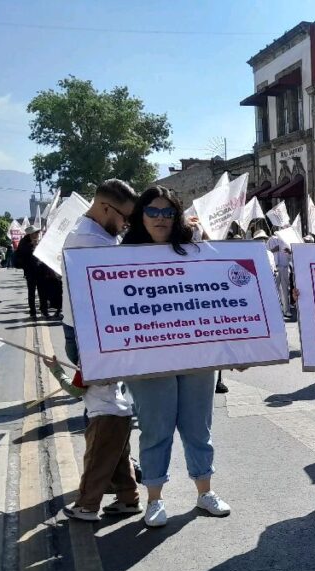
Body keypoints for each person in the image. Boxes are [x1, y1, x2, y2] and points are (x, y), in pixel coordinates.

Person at [120, 186, 230, 527]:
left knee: (199, 427)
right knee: (156, 429)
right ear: (141, 215)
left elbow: (223, 293)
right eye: (153, 211)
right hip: (148, 358)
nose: (160, 219)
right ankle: (155, 500)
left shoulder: (196, 250)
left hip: (196, 354)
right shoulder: (122, 256)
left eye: (168, 213)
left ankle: (204, 492)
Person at [43, 356, 141, 522]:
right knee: (120, 461)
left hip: (103, 417)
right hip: (123, 414)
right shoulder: (113, 355)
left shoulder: (88, 358)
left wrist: (56, 370)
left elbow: (76, 390)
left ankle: (86, 506)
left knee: (96, 463)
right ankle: (129, 500)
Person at [62, 179, 138, 364]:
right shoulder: (92, 241)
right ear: (105, 208)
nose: (126, 225)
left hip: (80, 328)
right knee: (104, 392)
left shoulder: (90, 229)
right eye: (125, 218)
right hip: (92, 333)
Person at [14, 225, 48, 318]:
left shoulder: (39, 241)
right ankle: (33, 312)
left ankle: (44, 311)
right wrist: (33, 245)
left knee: (43, 292)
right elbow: (25, 254)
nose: (37, 234)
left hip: (41, 270)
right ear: (31, 234)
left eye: (38, 232)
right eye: (36, 232)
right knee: (31, 293)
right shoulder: (24, 242)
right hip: (30, 271)